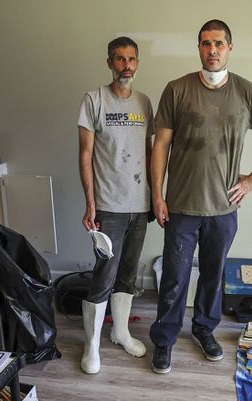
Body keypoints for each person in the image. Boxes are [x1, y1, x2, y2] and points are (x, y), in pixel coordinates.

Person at [148, 19, 252, 374]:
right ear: (199, 48)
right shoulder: (177, 89)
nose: (212, 50)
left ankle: (204, 330)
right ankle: (164, 340)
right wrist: (157, 196)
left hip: (223, 207)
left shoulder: (246, 92)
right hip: (180, 205)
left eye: (218, 43)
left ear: (229, 48)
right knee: (175, 277)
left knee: (212, 274)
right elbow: (160, 144)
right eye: (205, 43)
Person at [76, 36, 155, 374]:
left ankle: (120, 332)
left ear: (137, 63)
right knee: (104, 274)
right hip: (108, 206)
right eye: (120, 59)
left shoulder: (144, 102)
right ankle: (91, 345)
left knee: (128, 273)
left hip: (139, 205)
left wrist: (156, 196)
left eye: (132, 59)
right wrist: (90, 204)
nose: (126, 65)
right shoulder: (93, 100)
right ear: (109, 62)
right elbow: (85, 155)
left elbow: (151, 153)